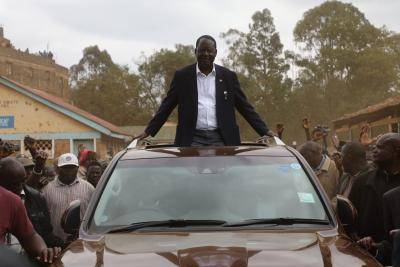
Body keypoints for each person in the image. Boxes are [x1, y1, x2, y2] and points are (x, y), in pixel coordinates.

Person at [134, 35, 273, 146]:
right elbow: (166, 106)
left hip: (222, 138)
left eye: (209, 51)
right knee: (192, 177)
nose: (206, 54)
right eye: (202, 50)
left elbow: (245, 107)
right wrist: (148, 131)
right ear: (196, 52)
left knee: (222, 178)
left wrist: (265, 131)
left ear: (215, 53)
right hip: (191, 138)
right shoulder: (182, 76)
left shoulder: (228, 77)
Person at [349, 133, 400, 265]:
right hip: (365, 256)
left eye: (380, 147)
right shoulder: (362, 181)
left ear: (396, 151)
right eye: (374, 146)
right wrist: (356, 237)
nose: (374, 150)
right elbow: (349, 216)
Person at [0, 158, 60, 263]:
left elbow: (30, 236)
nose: (20, 187)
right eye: (14, 183)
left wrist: (44, 252)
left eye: (22, 181)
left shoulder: (12, 200)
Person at [43, 153, 95, 241]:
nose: (69, 171)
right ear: (58, 169)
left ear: (77, 168)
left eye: (72, 167)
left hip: (83, 242)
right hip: (56, 243)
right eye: (65, 168)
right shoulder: (47, 190)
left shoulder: (88, 188)